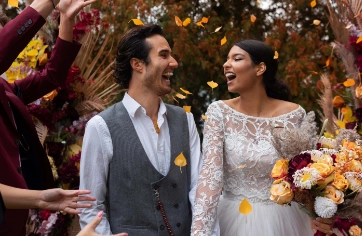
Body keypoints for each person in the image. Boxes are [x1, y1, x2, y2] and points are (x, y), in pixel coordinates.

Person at [190, 39, 333, 236]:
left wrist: (321, 214)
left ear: (260, 68)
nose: (226, 65)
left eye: (236, 58)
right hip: (233, 219)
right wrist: (200, 231)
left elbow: (307, 176)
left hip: (287, 221)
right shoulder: (218, 113)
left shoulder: (295, 114)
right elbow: (209, 179)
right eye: (226, 59)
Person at [79, 24, 210, 235]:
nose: (174, 62)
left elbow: (200, 191)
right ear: (138, 64)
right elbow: (89, 206)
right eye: (164, 55)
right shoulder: (101, 127)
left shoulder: (185, 120)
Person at [0, 0, 95, 234]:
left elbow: (52, 76)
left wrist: (66, 18)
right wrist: (47, 3)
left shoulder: (7, 89)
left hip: (14, 214)